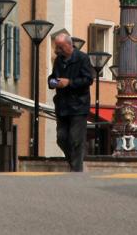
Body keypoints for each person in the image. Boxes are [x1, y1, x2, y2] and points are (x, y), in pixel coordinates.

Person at [47, 30, 94, 171]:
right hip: (62, 105)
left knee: (75, 139)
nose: (58, 50)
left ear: (69, 45)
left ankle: (76, 169)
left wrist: (70, 82)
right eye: (57, 47)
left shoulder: (82, 58)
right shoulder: (58, 60)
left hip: (78, 105)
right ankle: (74, 162)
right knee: (61, 138)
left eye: (60, 47)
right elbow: (52, 78)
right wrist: (54, 82)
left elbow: (88, 79)